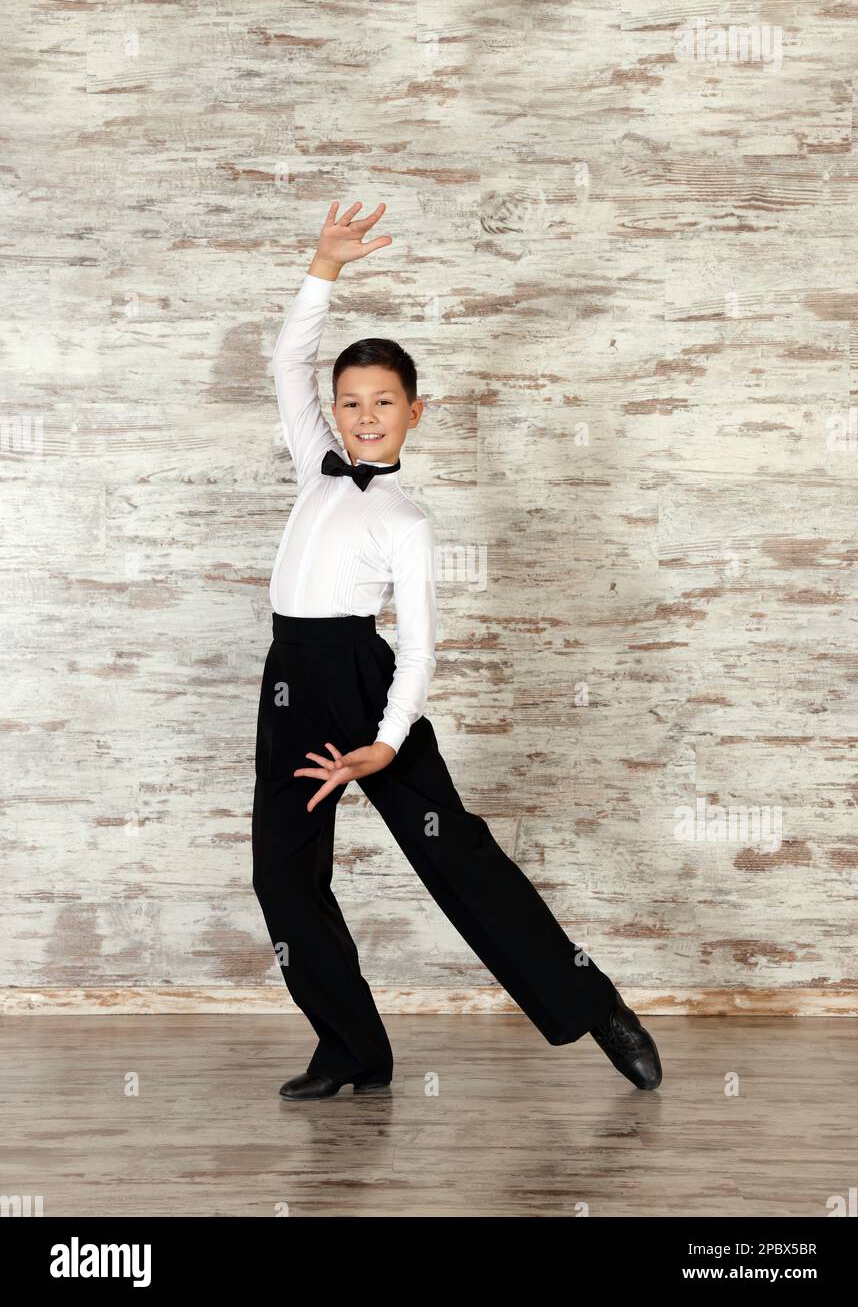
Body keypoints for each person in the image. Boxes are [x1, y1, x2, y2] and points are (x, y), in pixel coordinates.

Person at [251, 200, 662, 1100]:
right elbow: (287, 359)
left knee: (456, 857)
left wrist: (389, 742)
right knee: (282, 876)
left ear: (413, 413)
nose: (363, 417)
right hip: (289, 681)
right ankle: (352, 1049)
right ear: (333, 412)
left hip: (365, 683)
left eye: (382, 403)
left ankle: (596, 1007)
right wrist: (323, 267)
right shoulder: (310, 460)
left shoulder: (405, 517)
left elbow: (421, 645)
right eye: (349, 402)